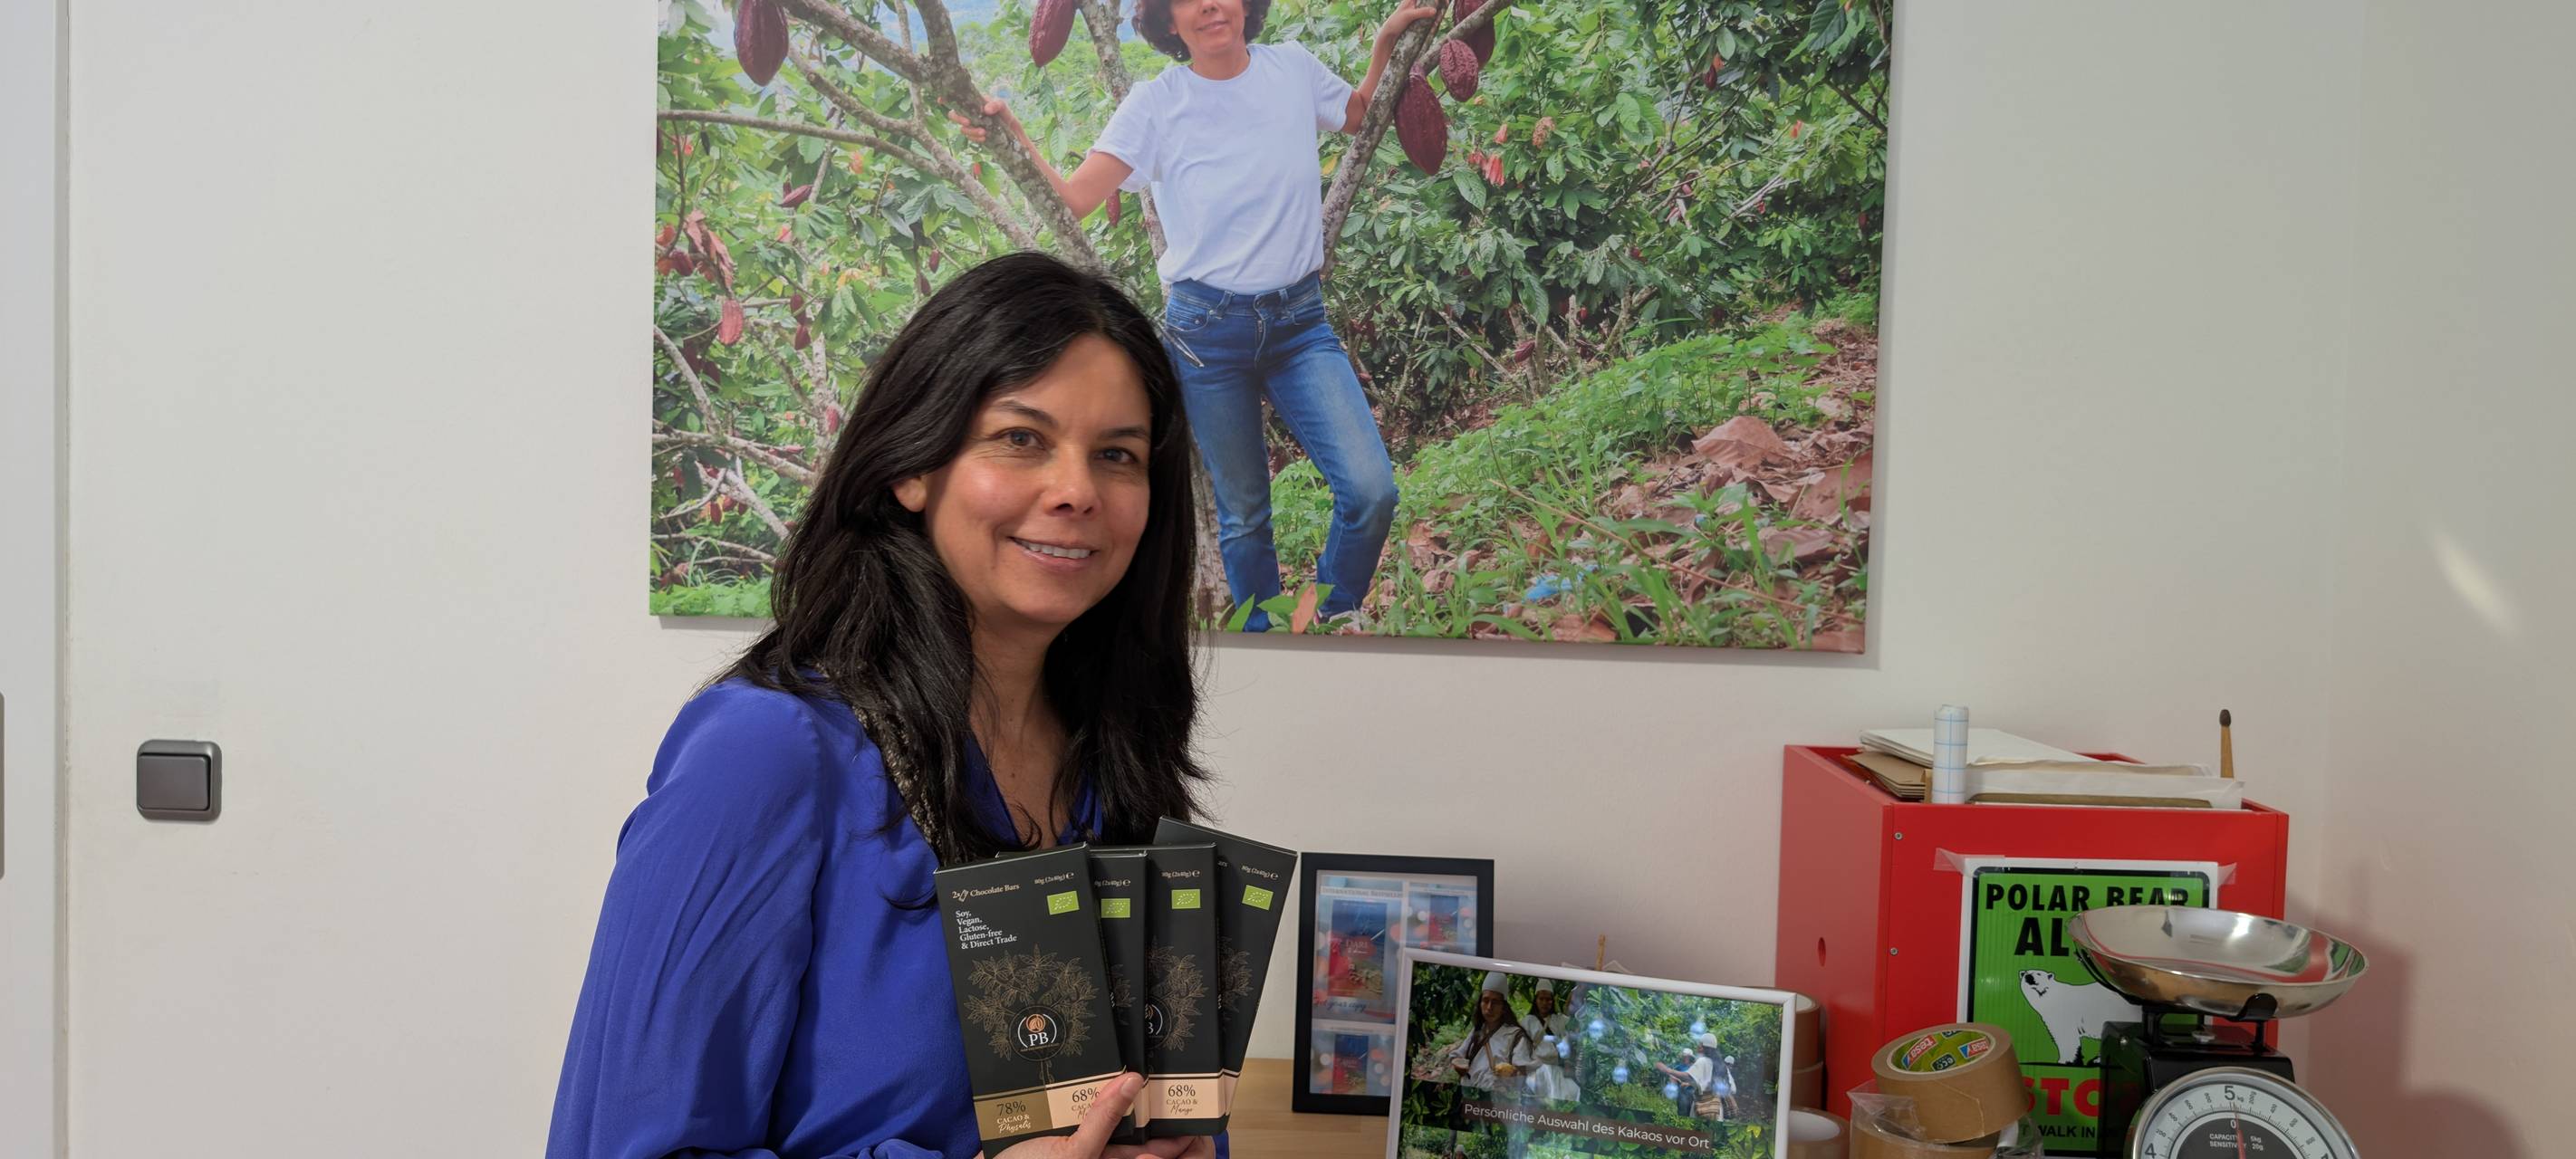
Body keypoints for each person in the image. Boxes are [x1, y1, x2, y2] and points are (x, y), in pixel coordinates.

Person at [548, 254, 1221, 1159]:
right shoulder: (767, 755)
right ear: (914, 465)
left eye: (1118, 454)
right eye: (1021, 438)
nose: (1077, 490)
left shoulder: (1116, 770)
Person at [961, 0, 1438, 630]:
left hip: (1300, 323)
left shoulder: (1292, 68)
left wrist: (1383, 45)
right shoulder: (1156, 104)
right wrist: (1011, 137)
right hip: (1207, 338)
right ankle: (1264, 641)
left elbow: (1355, 115)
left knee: (1372, 491)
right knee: (1245, 516)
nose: (1211, 5)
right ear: (1167, 21)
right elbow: (1076, 197)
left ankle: (1332, 618)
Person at [1446, 972, 1537, 1089]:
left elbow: (1522, 1069)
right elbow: (1458, 1055)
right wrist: (1458, 1064)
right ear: (1480, 1004)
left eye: (1495, 1002)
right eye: (1485, 1001)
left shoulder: (1516, 1036)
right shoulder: (1477, 1031)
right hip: (1470, 1093)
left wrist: (1513, 1072)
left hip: (1497, 1099)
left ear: (1503, 1007)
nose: (1489, 1007)